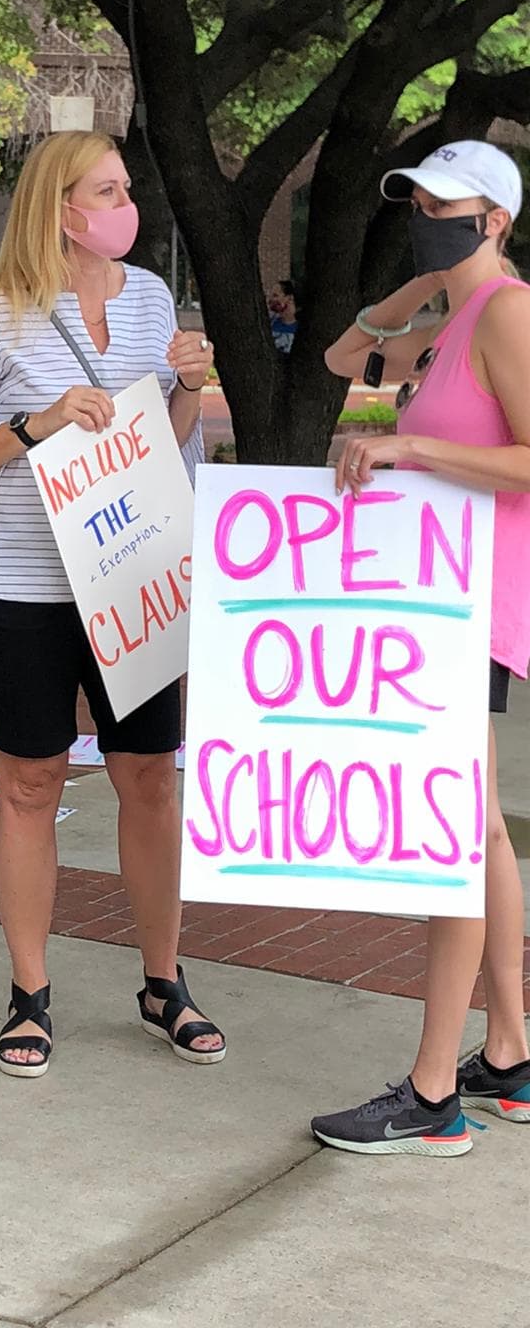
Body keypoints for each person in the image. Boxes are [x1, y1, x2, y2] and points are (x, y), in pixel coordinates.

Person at [0, 129, 223, 1078]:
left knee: (151, 778)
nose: (126, 204)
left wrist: (189, 389)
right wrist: (34, 426)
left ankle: (162, 980)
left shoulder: (150, 304)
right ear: (60, 209)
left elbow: (168, 458)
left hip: (131, 579)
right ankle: (30, 989)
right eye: (109, 189)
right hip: (21, 583)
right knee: (30, 781)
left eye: (127, 186)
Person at [313, 140, 530, 1155]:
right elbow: (344, 357)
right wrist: (427, 277)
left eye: (444, 209)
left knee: (451, 841)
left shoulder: (512, 314)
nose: (423, 218)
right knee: (478, 833)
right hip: (440, 607)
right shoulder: (455, 321)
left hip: (469, 606)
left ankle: (435, 1089)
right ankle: (513, 1050)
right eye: (416, 206)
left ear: (495, 218)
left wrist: (407, 445)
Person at [268, 278, 297, 353]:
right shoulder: (270, 322)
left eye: (275, 295)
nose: (270, 300)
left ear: (289, 298)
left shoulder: (303, 325)